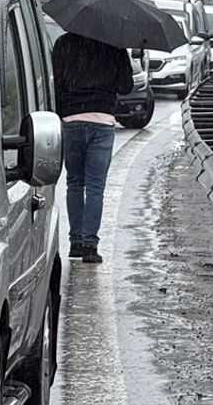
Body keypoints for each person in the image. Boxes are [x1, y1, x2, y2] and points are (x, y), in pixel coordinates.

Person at [53, 32, 132, 264]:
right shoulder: (113, 45)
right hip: (102, 120)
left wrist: (63, 112)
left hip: (72, 119)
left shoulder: (64, 43)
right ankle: (90, 246)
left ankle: (75, 242)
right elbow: (126, 86)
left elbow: (56, 82)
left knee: (74, 183)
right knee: (95, 187)